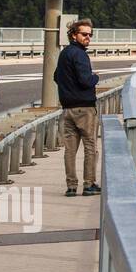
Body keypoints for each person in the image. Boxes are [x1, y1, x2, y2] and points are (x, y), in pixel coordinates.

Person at [54, 18, 101, 197]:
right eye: (84, 34)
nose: (88, 37)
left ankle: (71, 186)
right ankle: (89, 185)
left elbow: (56, 76)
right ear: (74, 35)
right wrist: (95, 78)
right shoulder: (80, 55)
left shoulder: (65, 53)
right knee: (90, 147)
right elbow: (85, 80)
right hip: (84, 108)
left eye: (90, 35)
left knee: (70, 150)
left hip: (67, 109)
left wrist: (68, 88)